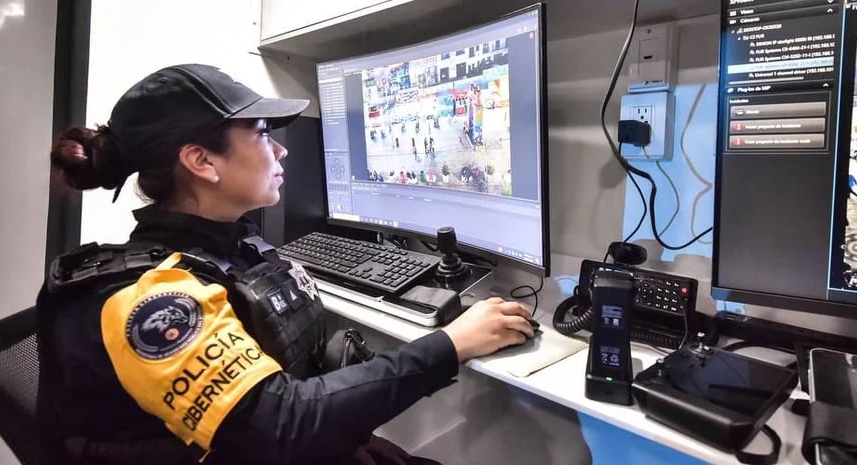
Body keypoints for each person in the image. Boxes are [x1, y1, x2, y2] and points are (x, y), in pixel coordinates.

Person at [37, 64, 535, 465]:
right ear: (201, 162)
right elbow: (280, 426)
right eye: (260, 133)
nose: (281, 149)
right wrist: (452, 344)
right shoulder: (150, 300)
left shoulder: (230, 250)